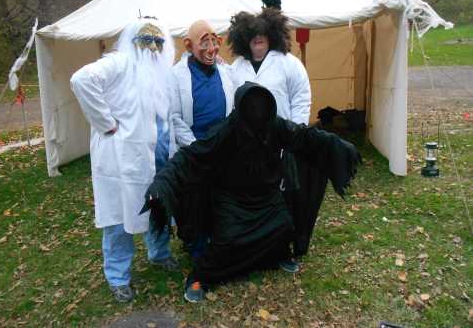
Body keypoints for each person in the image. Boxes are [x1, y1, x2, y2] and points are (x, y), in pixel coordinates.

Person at [142, 82, 361, 303]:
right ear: (241, 108)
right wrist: (161, 185)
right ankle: (200, 278)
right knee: (226, 242)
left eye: (262, 106)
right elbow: (189, 157)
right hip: (232, 200)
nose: (257, 112)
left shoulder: (275, 125)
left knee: (284, 226)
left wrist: (340, 146)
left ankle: (277, 256)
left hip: (267, 197)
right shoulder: (226, 130)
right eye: (252, 107)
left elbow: (304, 137)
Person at [70, 18, 178, 303]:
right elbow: (81, 80)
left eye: (158, 41)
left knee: (159, 208)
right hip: (122, 159)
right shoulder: (119, 62)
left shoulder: (162, 73)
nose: (152, 47)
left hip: (157, 156)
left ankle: (159, 253)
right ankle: (118, 276)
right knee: (119, 217)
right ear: (133, 41)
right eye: (146, 40)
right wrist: (105, 122)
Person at [228, 8, 316, 268]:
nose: (258, 41)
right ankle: (256, 245)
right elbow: (230, 104)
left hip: (281, 140)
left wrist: (295, 130)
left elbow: (301, 96)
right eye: (253, 37)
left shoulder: (288, 62)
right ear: (244, 39)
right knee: (257, 196)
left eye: (262, 36)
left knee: (284, 198)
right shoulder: (237, 67)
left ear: (272, 36)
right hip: (248, 145)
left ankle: (283, 249)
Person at [171, 20, 236, 258]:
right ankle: (197, 247)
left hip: (223, 148)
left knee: (222, 197)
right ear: (189, 46)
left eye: (214, 42)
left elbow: (236, 106)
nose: (211, 49)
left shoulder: (225, 70)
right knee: (195, 200)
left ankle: (220, 241)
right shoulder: (177, 76)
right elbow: (175, 117)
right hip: (194, 150)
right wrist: (197, 147)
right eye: (204, 43)